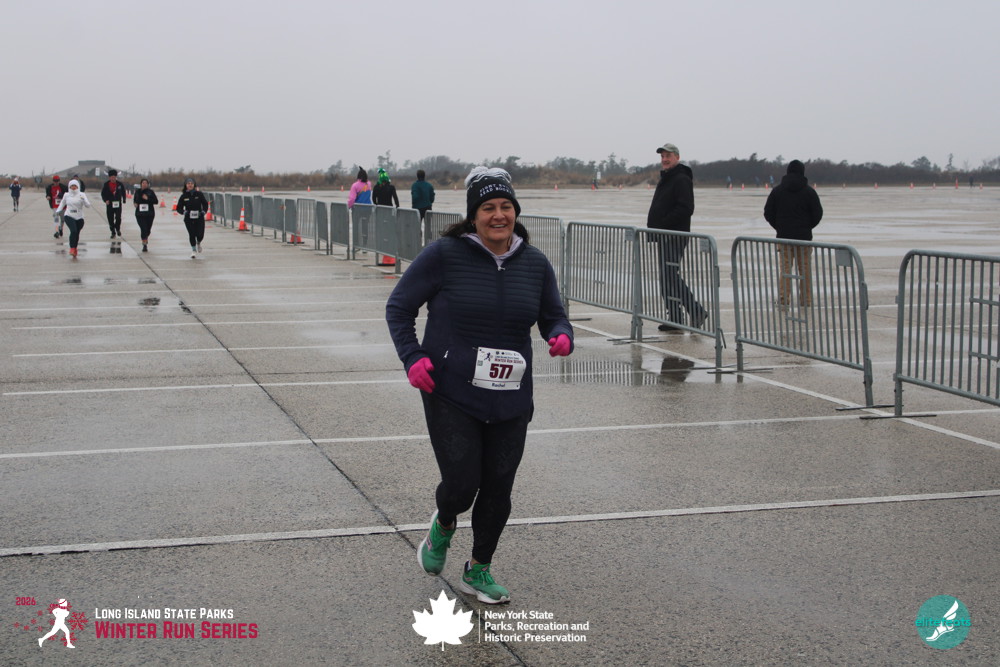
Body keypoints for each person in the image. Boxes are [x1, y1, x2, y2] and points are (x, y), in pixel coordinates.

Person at [386, 167, 574, 605]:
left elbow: (553, 314)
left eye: (506, 206)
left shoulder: (534, 263)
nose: (498, 215)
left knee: (498, 488)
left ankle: (479, 568)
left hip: (511, 397)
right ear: (473, 215)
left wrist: (560, 334)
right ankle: (444, 523)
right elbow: (399, 307)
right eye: (488, 207)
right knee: (461, 483)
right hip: (452, 391)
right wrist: (413, 357)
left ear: (516, 212)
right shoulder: (444, 255)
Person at [646, 142, 706, 332]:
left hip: (674, 235)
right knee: (666, 277)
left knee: (670, 275)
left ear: (677, 157)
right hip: (664, 235)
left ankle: (696, 310)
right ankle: (675, 317)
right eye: (662, 156)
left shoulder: (680, 179)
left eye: (668, 156)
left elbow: (686, 208)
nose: (664, 160)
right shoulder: (668, 177)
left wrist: (664, 223)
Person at [763, 159, 823, 306]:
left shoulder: (777, 191)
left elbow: (768, 212)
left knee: (785, 270)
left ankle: (784, 299)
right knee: (805, 270)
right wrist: (807, 227)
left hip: (784, 237)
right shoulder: (809, 192)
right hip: (804, 238)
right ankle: (806, 300)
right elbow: (818, 214)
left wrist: (779, 227)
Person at [54, 179, 92, 258]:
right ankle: (71, 248)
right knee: (73, 231)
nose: (73, 187)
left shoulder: (82, 194)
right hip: (69, 215)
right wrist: (57, 211)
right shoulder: (66, 195)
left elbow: (88, 205)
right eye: (72, 186)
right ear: (69, 187)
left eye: (75, 186)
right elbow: (62, 203)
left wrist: (84, 200)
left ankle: (75, 248)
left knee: (77, 233)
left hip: (79, 217)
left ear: (78, 186)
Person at [176, 177, 209, 258]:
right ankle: (193, 250)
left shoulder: (199, 194)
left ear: (194, 185)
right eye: (188, 184)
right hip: (188, 218)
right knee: (192, 234)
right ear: (186, 185)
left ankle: (198, 242)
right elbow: (178, 208)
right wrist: (184, 212)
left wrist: (204, 211)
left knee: (200, 234)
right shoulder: (183, 196)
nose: (190, 185)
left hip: (199, 217)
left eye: (191, 183)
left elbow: (205, 204)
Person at [133, 178, 159, 252]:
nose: (144, 184)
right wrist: (135, 203)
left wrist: (147, 198)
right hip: (140, 214)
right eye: (143, 183)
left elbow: (156, 201)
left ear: (148, 184)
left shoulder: (150, 192)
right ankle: (144, 244)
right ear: (141, 184)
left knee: (147, 230)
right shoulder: (137, 192)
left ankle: (145, 237)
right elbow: (135, 200)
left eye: (146, 183)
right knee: (143, 229)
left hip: (149, 214)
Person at [101, 168, 127, 239]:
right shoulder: (106, 184)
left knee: (118, 218)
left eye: (114, 177)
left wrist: (124, 199)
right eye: (111, 177)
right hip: (109, 204)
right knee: (110, 219)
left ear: (116, 177)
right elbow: (103, 194)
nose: (113, 178)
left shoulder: (120, 184)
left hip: (117, 204)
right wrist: (105, 200)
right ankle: (113, 231)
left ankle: (117, 228)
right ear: (109, 177)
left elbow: (123, 192)